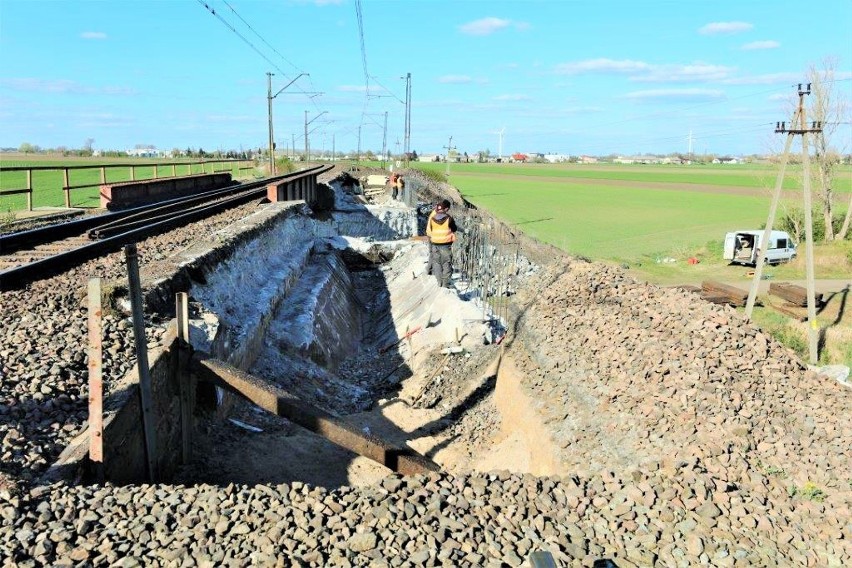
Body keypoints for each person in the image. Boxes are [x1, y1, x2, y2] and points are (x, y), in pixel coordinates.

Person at [426, 199, 457, 287]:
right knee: (446, 263)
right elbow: (454, 229)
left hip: (435, 243)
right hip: (445, 244)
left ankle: (439, 281)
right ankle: (445, 284)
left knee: (437, 263)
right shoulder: (449, 219)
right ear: (445, 209)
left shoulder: (432, 218)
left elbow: (431, 229)